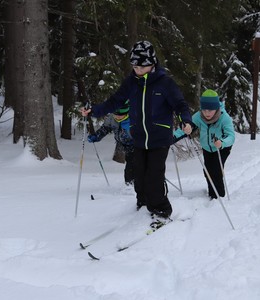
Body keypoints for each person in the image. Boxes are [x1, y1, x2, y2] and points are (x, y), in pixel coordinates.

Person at [81, 40, 192, 220]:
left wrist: (185, 120)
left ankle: (162, 210)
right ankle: (143, 204)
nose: (137, 70)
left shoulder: (165, 83)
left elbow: (180, 104)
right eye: (134, 66)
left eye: (141, 67)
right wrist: (94, 110)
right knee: (139, 176)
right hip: (138, 137)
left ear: (152, 63)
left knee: (154, 176)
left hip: (159, 137)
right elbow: (114, 101)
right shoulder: (131, 83)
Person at [174, 89, 235, 199]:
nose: (207, 113)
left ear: (216, 108)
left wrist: (222, 142)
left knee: (216, 170)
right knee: (207, 170)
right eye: (204, 110)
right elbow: (188, 127)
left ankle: (219, 196)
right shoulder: (198, 116)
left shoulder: (224, 118)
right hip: (207, 148)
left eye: (210, 110)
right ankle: (212, 193)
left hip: (221, 147)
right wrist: (173, 137)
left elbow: (231, 136)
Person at [87, 101, 135, 185]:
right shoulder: (111, 118)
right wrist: (96, 136)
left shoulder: (134, 118)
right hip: (126, 145)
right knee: (131, 165)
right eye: (116, 114)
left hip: (138, 146)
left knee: (133, 165)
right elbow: (105, 129)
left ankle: (132, 185)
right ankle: (131, 184)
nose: (118, 117)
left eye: (121, 116)